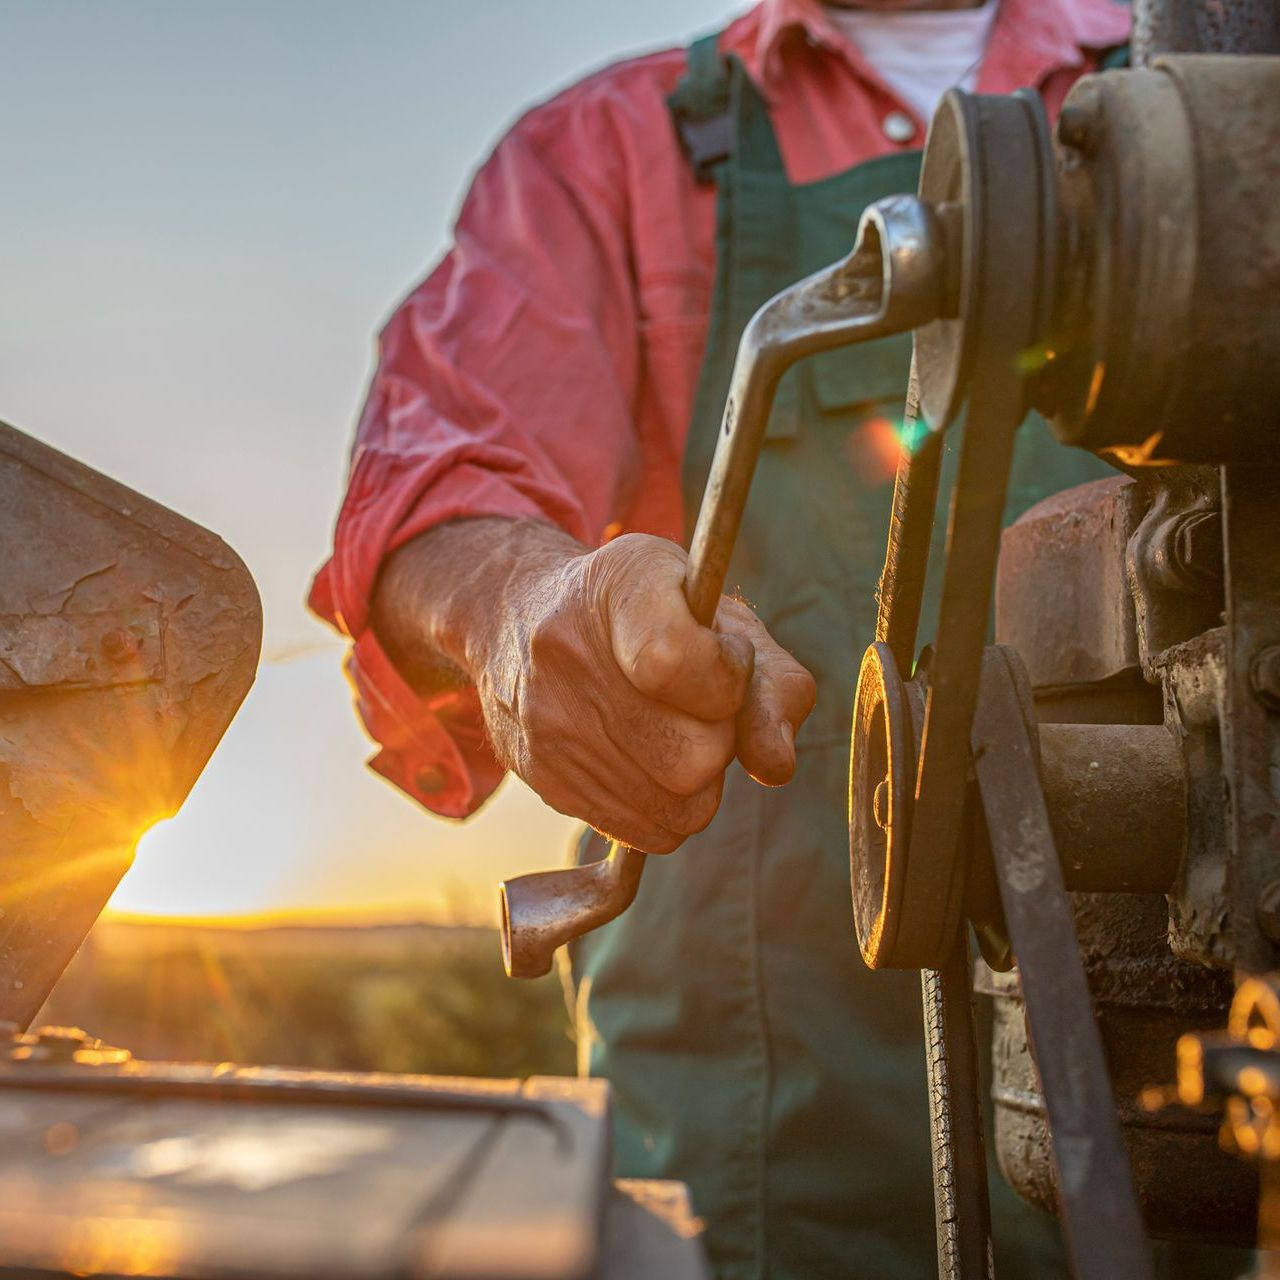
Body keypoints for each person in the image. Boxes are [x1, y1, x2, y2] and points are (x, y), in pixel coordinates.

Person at [311, 3, 1132, 1276]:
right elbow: (432, 489)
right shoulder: (609, 149)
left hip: (1190, 1083)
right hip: (750, 1124)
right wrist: (523, 610)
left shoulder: (1199, 99)